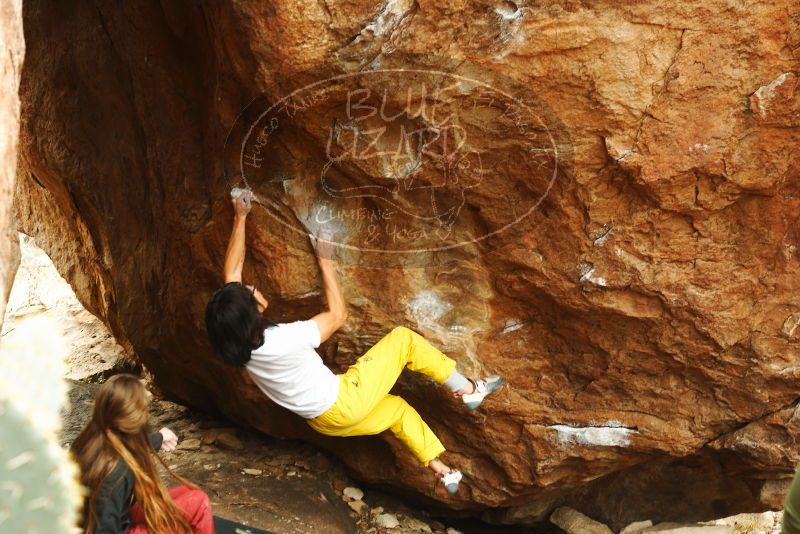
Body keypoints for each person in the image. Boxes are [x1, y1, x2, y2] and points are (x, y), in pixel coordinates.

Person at [205, 189, 503, 492]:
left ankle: (441, 470)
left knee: (397, 411)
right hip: (345, 400)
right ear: (251, 316)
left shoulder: (238, 342)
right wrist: (325, 261)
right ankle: (467, 389)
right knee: (404, 340)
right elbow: (337, 315)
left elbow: (231, 273)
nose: (252, 287)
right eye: (249, 292)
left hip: (326, 423)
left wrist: (240, 216)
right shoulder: (284, 340)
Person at [71, 374, 213, 533]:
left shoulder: (91, 437)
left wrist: (159, 437)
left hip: (113, 520)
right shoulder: (115, 472)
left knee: (187, 494)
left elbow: (128, 443)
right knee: (199, 502)